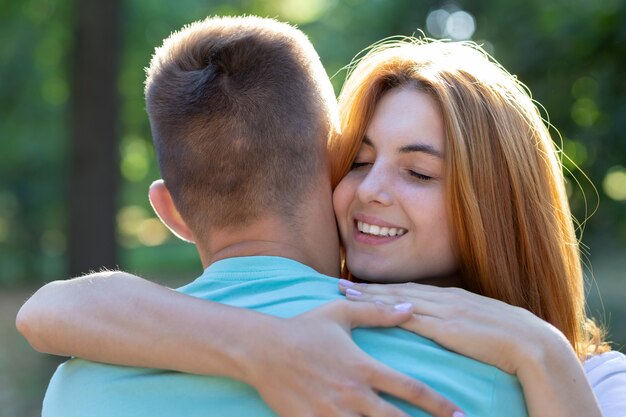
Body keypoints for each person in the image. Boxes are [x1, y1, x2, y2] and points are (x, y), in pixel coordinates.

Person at [17, 28, 626, 417]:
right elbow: (51, 311)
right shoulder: (318, 332)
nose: (371, 191)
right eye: (356, 161)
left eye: (418, 173)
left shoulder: (592, 382)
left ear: (496, 205)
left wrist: (542, 351)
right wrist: (267, 348)